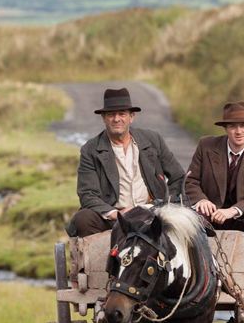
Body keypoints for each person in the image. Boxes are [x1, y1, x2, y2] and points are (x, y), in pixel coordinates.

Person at [66, 87, 185, 237]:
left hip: (152, 213)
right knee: (83, 219)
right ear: (104, 118)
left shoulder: (152, 140)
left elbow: (178, 177)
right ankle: (100, 257)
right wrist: (116, 214)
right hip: (115, 217)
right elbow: (87, 194)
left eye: (122, 114)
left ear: (131, 116)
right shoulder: (90, 149)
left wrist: (165, 205)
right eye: (111, 115)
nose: (117, 119)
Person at [185, 101, 244, 237]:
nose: (239, 131)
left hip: (243, 217)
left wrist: (233, 210)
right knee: (197, 215)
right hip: (211, 215)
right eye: (233, 126)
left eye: (243, 126)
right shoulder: (206, 146)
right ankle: (199, 257)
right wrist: (201, 200)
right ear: (225, 129)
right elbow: (191, 181)